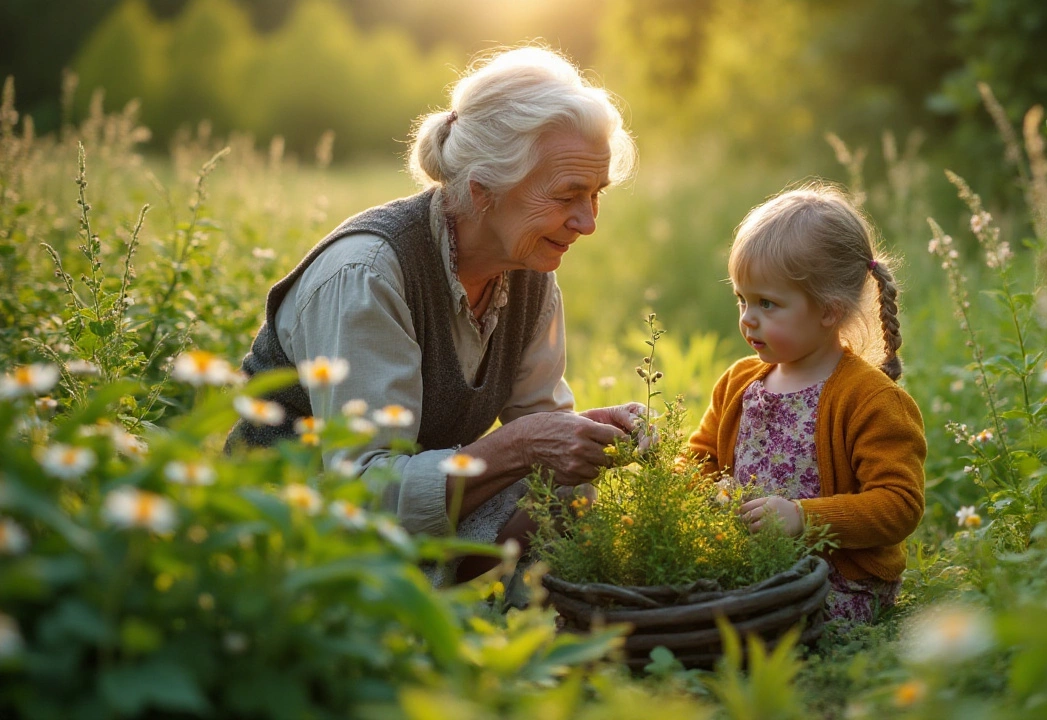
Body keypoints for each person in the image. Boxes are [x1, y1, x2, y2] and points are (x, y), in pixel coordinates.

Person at [226, 47, 644, 584]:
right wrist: (518, 446)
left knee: (566, 492)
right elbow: (364, 491)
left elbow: (543, 428)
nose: (587, 222)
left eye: (596, 194)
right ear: (482, 191)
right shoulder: (370, 275)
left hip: (408, 522)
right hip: (294, 527)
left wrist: (584, 435)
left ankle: (514, 630)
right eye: (568, 195)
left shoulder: (529, 272)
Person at [687, 184, 927, 624]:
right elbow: (700, 459)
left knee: (764, 624)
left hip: (834, 582)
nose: (747, 318)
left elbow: (899, 504)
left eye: (767, 303)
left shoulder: (869, 397)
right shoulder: (739, 382)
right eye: (741, 299)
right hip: (751, 569)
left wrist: (803, 518)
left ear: (828, 311)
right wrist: (674, 475)